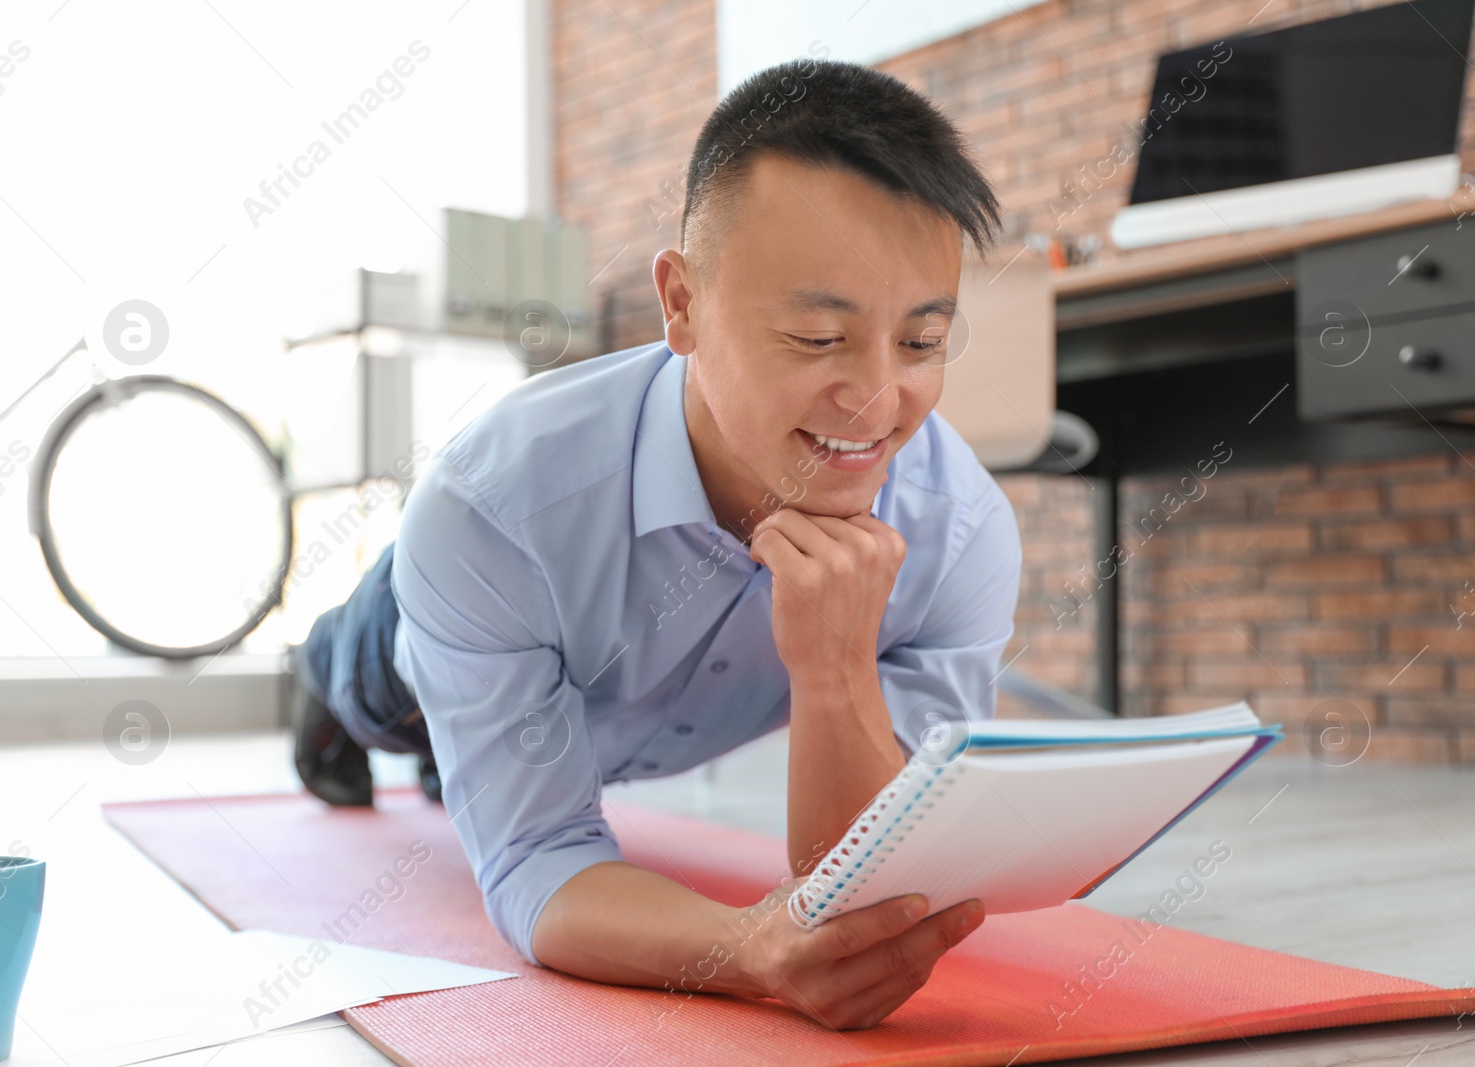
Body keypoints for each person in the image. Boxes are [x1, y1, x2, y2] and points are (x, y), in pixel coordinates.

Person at [293, 56, 1023, 1031]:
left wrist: (837, 666)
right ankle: (334, 679)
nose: (877, 400)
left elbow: (867, 896)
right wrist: (750, 951)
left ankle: (466, 749)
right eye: (817, 338)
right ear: (680, 304)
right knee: (377, 689)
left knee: (490, 751)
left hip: (584, 696)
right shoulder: (491, 506)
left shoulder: (959, 533)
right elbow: (535, 860)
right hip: (424, 631)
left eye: (922, 343)